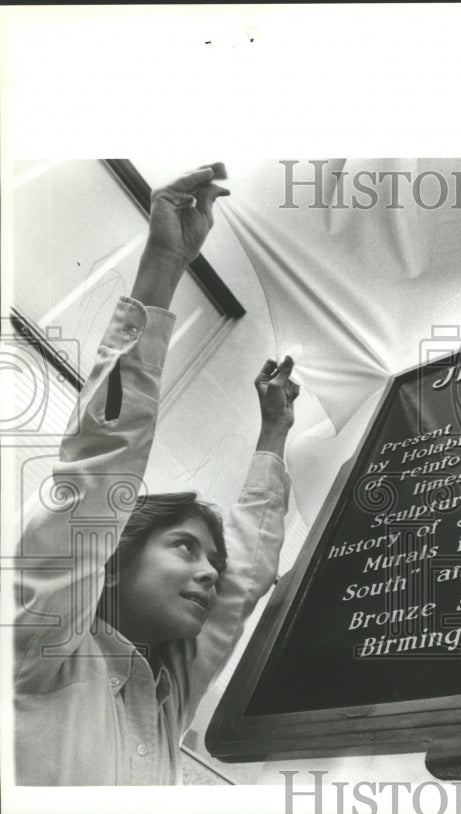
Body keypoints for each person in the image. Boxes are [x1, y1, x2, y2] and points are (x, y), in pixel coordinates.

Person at [13, 164, 299, 785]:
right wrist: (164, 263)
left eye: (209, 559)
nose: (209, 572)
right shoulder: (45, 649)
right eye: (186, 547)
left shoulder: (169, 697)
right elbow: (99, 468)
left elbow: (244, 580)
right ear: (111, 556)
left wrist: (275, 433)